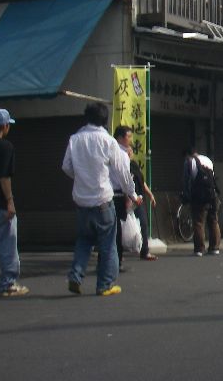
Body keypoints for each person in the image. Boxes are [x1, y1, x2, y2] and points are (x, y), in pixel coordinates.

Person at [63, 103, 140, 296]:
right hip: (103, 200)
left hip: (81, 202)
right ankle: (105, 285)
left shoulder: (74, 139)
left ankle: (75, 276)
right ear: (105, 120)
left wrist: (81, 178)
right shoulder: (108, 141)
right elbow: (123, 172)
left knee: (84, 241)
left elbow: (66, 166)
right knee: (108, 244)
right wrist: (132, 193)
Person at [0, 109, 28, 297]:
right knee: (7, 244)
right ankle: (8, 284)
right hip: (0, 204)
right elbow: (4, 177)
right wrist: (10, 201)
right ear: (5, 126)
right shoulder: (6, 147)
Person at [113, 127, 158, 261]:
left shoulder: (132, 164)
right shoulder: (116, 159)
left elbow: (141, 181)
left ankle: (145, 250)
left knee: (143, 223)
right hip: (123, 198)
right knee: (119, 227)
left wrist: (150, 194)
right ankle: (118, 255)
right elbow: (122, 181)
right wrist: (128, 197)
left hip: (137, 198)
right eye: (129, 137)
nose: (130, 151)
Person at [183, 148, 221, 257]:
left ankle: (199, 249)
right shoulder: (207, 159)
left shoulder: (189, 161)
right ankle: (214, 248)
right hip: (212, 195)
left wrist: (186, 196)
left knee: (199, 222)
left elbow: (187, 180)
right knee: (213, 221)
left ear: (188, 155)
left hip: (199, 197)